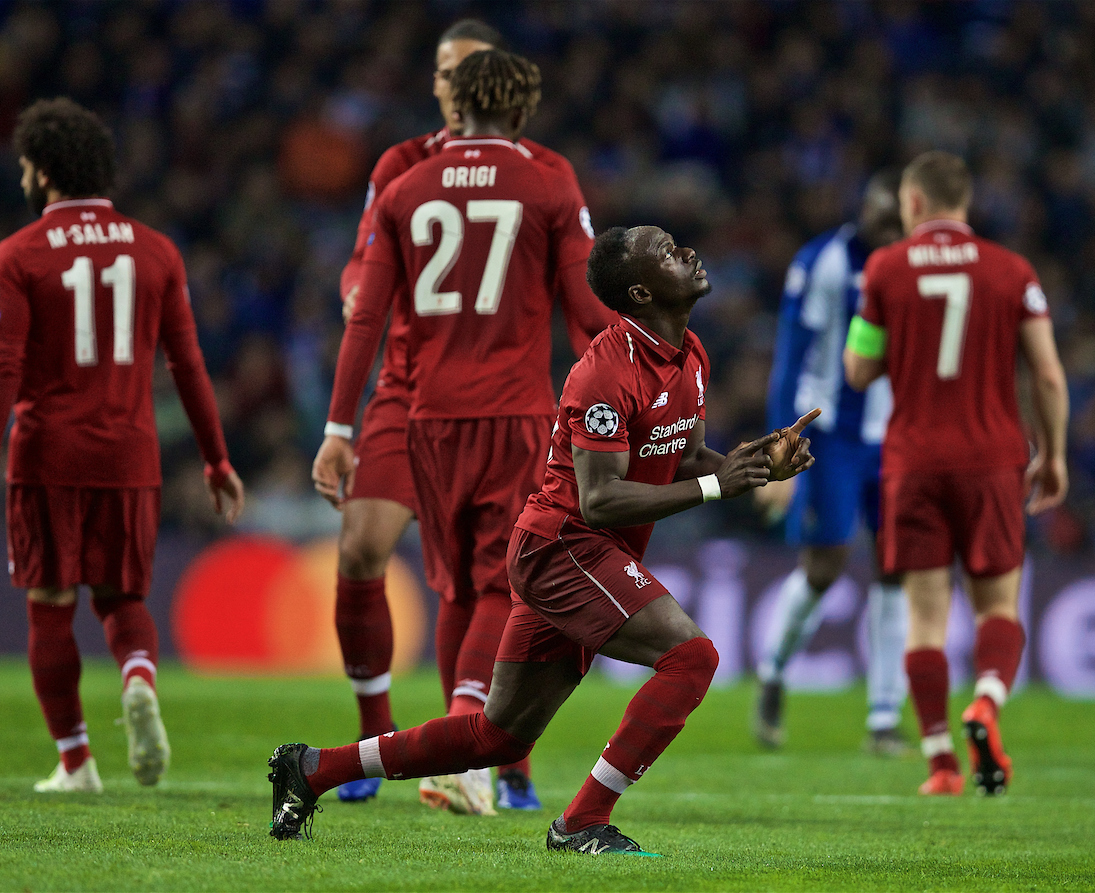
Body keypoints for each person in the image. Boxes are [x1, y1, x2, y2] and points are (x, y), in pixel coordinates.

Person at [269, 223, 818, 850]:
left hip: (586, 553)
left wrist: (747, 464)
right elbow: (601, 498)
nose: (688, 252)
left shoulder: (690, 354)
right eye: (667, 252)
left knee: (497, 737)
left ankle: (314, 769)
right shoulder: (603, 374)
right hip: (564, 547)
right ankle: (583, 822)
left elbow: (683, 456)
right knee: (692, 657)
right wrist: (722, 488)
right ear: (640, 292)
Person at [314, 48, 617, 815]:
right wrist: (632, 388)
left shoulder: (407, 186)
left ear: (458, 102)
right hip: (515, 412)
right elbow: (586, 313)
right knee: (500, 582)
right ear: (519, 111)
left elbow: (365, 318)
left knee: (454, 587)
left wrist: (337, 426)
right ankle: (465, 746)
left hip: (427, 417)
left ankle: (463, 754)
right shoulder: (546, 179)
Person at [0, 98, 244, 793]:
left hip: (47, 455)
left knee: (50, 600)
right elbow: (187, 365)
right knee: (122, 598)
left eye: (28, 166)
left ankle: (76, 760)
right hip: (130, 453)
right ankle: (139, 677)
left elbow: (0, 365)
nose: (24, 178)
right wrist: (216, 458)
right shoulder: (156, 250)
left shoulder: (20, 252)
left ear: (45, 171)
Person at [843, 150, 1069, 796]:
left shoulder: (885, 268)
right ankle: (986, 704)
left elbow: (859, 369)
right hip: (993, 458)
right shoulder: (1011, 270)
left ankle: (941, 762)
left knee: (924, 618)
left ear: (912, 204)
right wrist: (1052, 454)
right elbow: (1049, 374)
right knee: (998, 605)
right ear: (965, 202)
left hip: (912, 461)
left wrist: (892, 343)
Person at [753, 171, 909, 756]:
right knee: (825, 568)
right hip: (834, 438)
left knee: (897, 570)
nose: (892, 231)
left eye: (900, 222)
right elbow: (791, 359)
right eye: (884, 219)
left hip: (895, 438)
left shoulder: (916, 266)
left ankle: (884, 717)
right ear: (864, 212)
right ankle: (772, 673)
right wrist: (778, 447)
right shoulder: (823, 263)